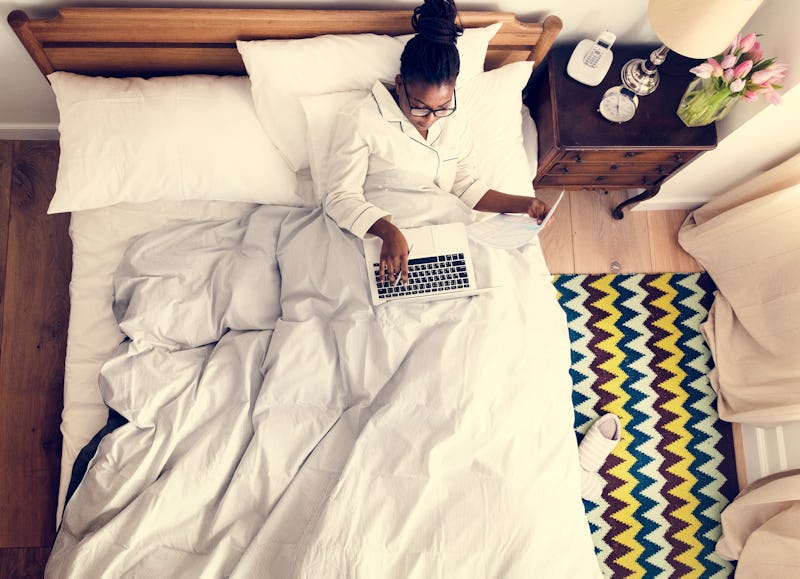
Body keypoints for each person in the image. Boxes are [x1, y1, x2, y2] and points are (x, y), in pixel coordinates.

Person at [324, 0, 549, 285]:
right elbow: (341, 197)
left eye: (442, 107)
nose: (431, 119)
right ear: (400, 84)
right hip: (380, 233)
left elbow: (465, 185)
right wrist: (388, 231)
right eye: (419, 107)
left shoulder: (455, 116)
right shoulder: (360, 119)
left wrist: (524, 204)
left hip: (443, 232)